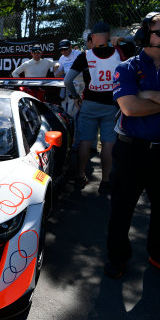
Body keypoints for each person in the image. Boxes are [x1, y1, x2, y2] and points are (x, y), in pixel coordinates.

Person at [104, 13, 160, 280]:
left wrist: (150, 94)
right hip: (131, 151)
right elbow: (130, 107)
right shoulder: (126, 68)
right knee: (121, 209)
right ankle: (117, 257)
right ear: (144, 36)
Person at [65, 21, 136, 194]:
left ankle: (80, 176)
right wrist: (121, 39)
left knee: (85, 141)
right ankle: (105, 181)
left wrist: (75, 97)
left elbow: (68, 81)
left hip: (89, 103)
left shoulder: (85, 55)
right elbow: (141, 39)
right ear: (109, 34)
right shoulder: (121, 51)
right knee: (108, 145)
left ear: (93, 37)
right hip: (112, 104)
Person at [53, 39, 82, 117]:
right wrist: (55, 68)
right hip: (70, 86)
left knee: (80, 109)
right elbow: (57, 75)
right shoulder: (62, 58)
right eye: (61, 50)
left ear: (70, 47)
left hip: (81, 84)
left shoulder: (78, 54)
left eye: (65, 49)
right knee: (69, 110)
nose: (63, 51)